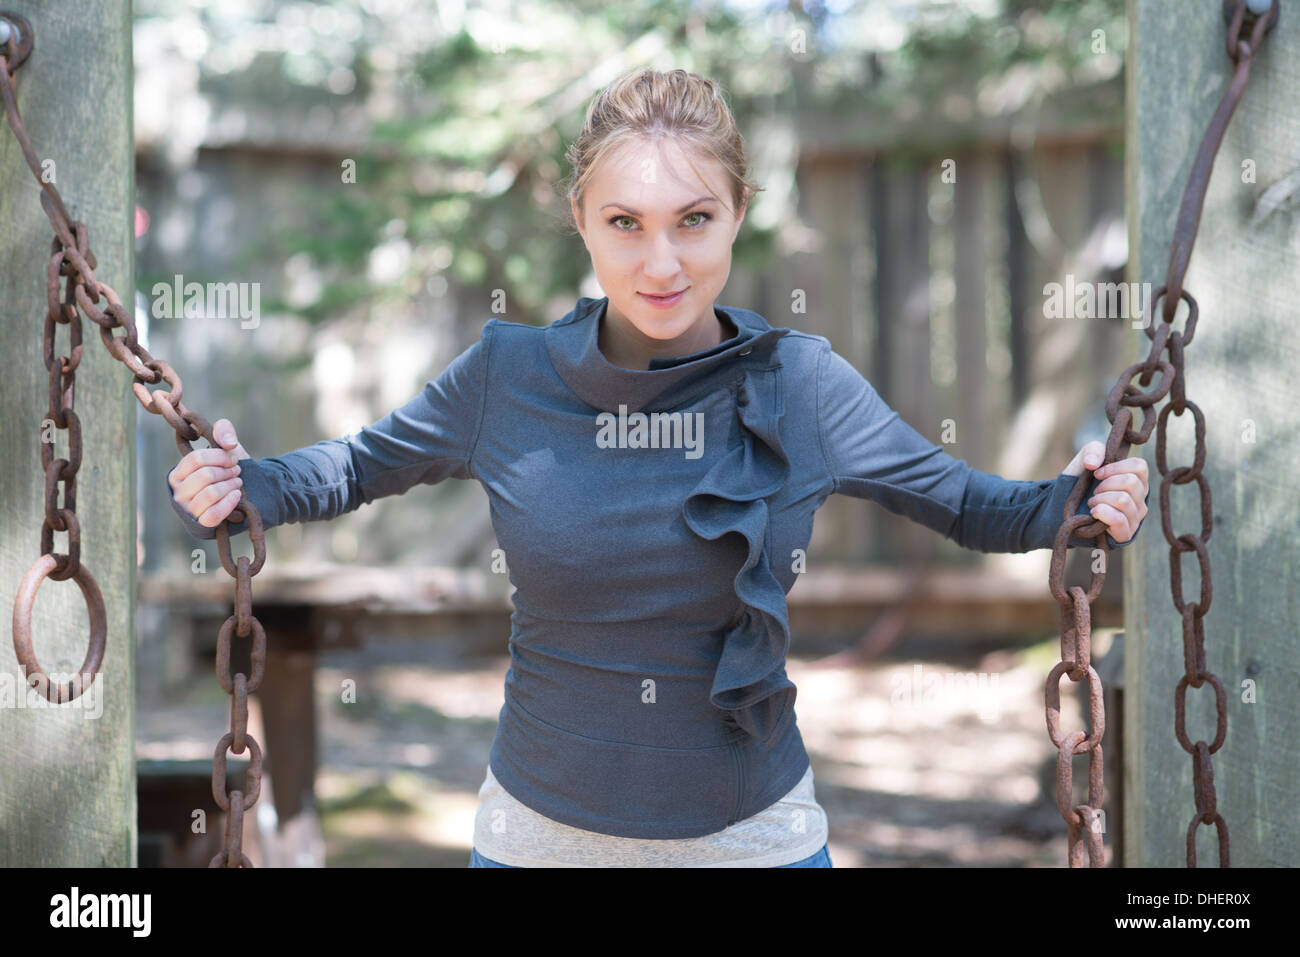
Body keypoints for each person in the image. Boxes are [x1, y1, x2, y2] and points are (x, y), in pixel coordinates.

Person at [166, 68, 1150, 868]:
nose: (661, 262)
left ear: (737, 215)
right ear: (581, 219)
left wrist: (1082, 499)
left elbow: (976, 508)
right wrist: (241, 484)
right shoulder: (504, 378)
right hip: (536, 843)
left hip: (751, 843)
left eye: (693, 219)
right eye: (624, 223)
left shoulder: (800, 386)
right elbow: (348, 468)